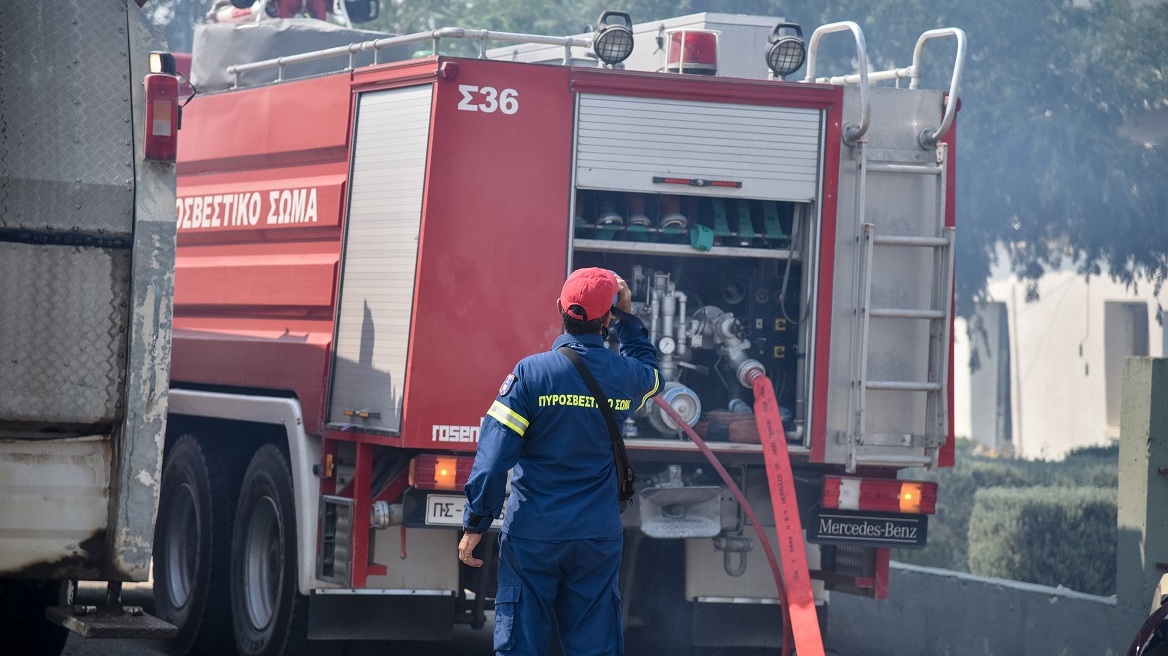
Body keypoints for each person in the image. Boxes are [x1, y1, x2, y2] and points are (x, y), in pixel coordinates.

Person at [459, 267, 661, 656]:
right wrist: (629, 319)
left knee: (521, 642)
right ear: (607, 318)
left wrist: (476, 522)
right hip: (596, 535)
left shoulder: (530, 374)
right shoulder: (625, 375)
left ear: (559, 308)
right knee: (594, 645)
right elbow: (653, 375)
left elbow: (493, 458)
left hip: (534, 532)